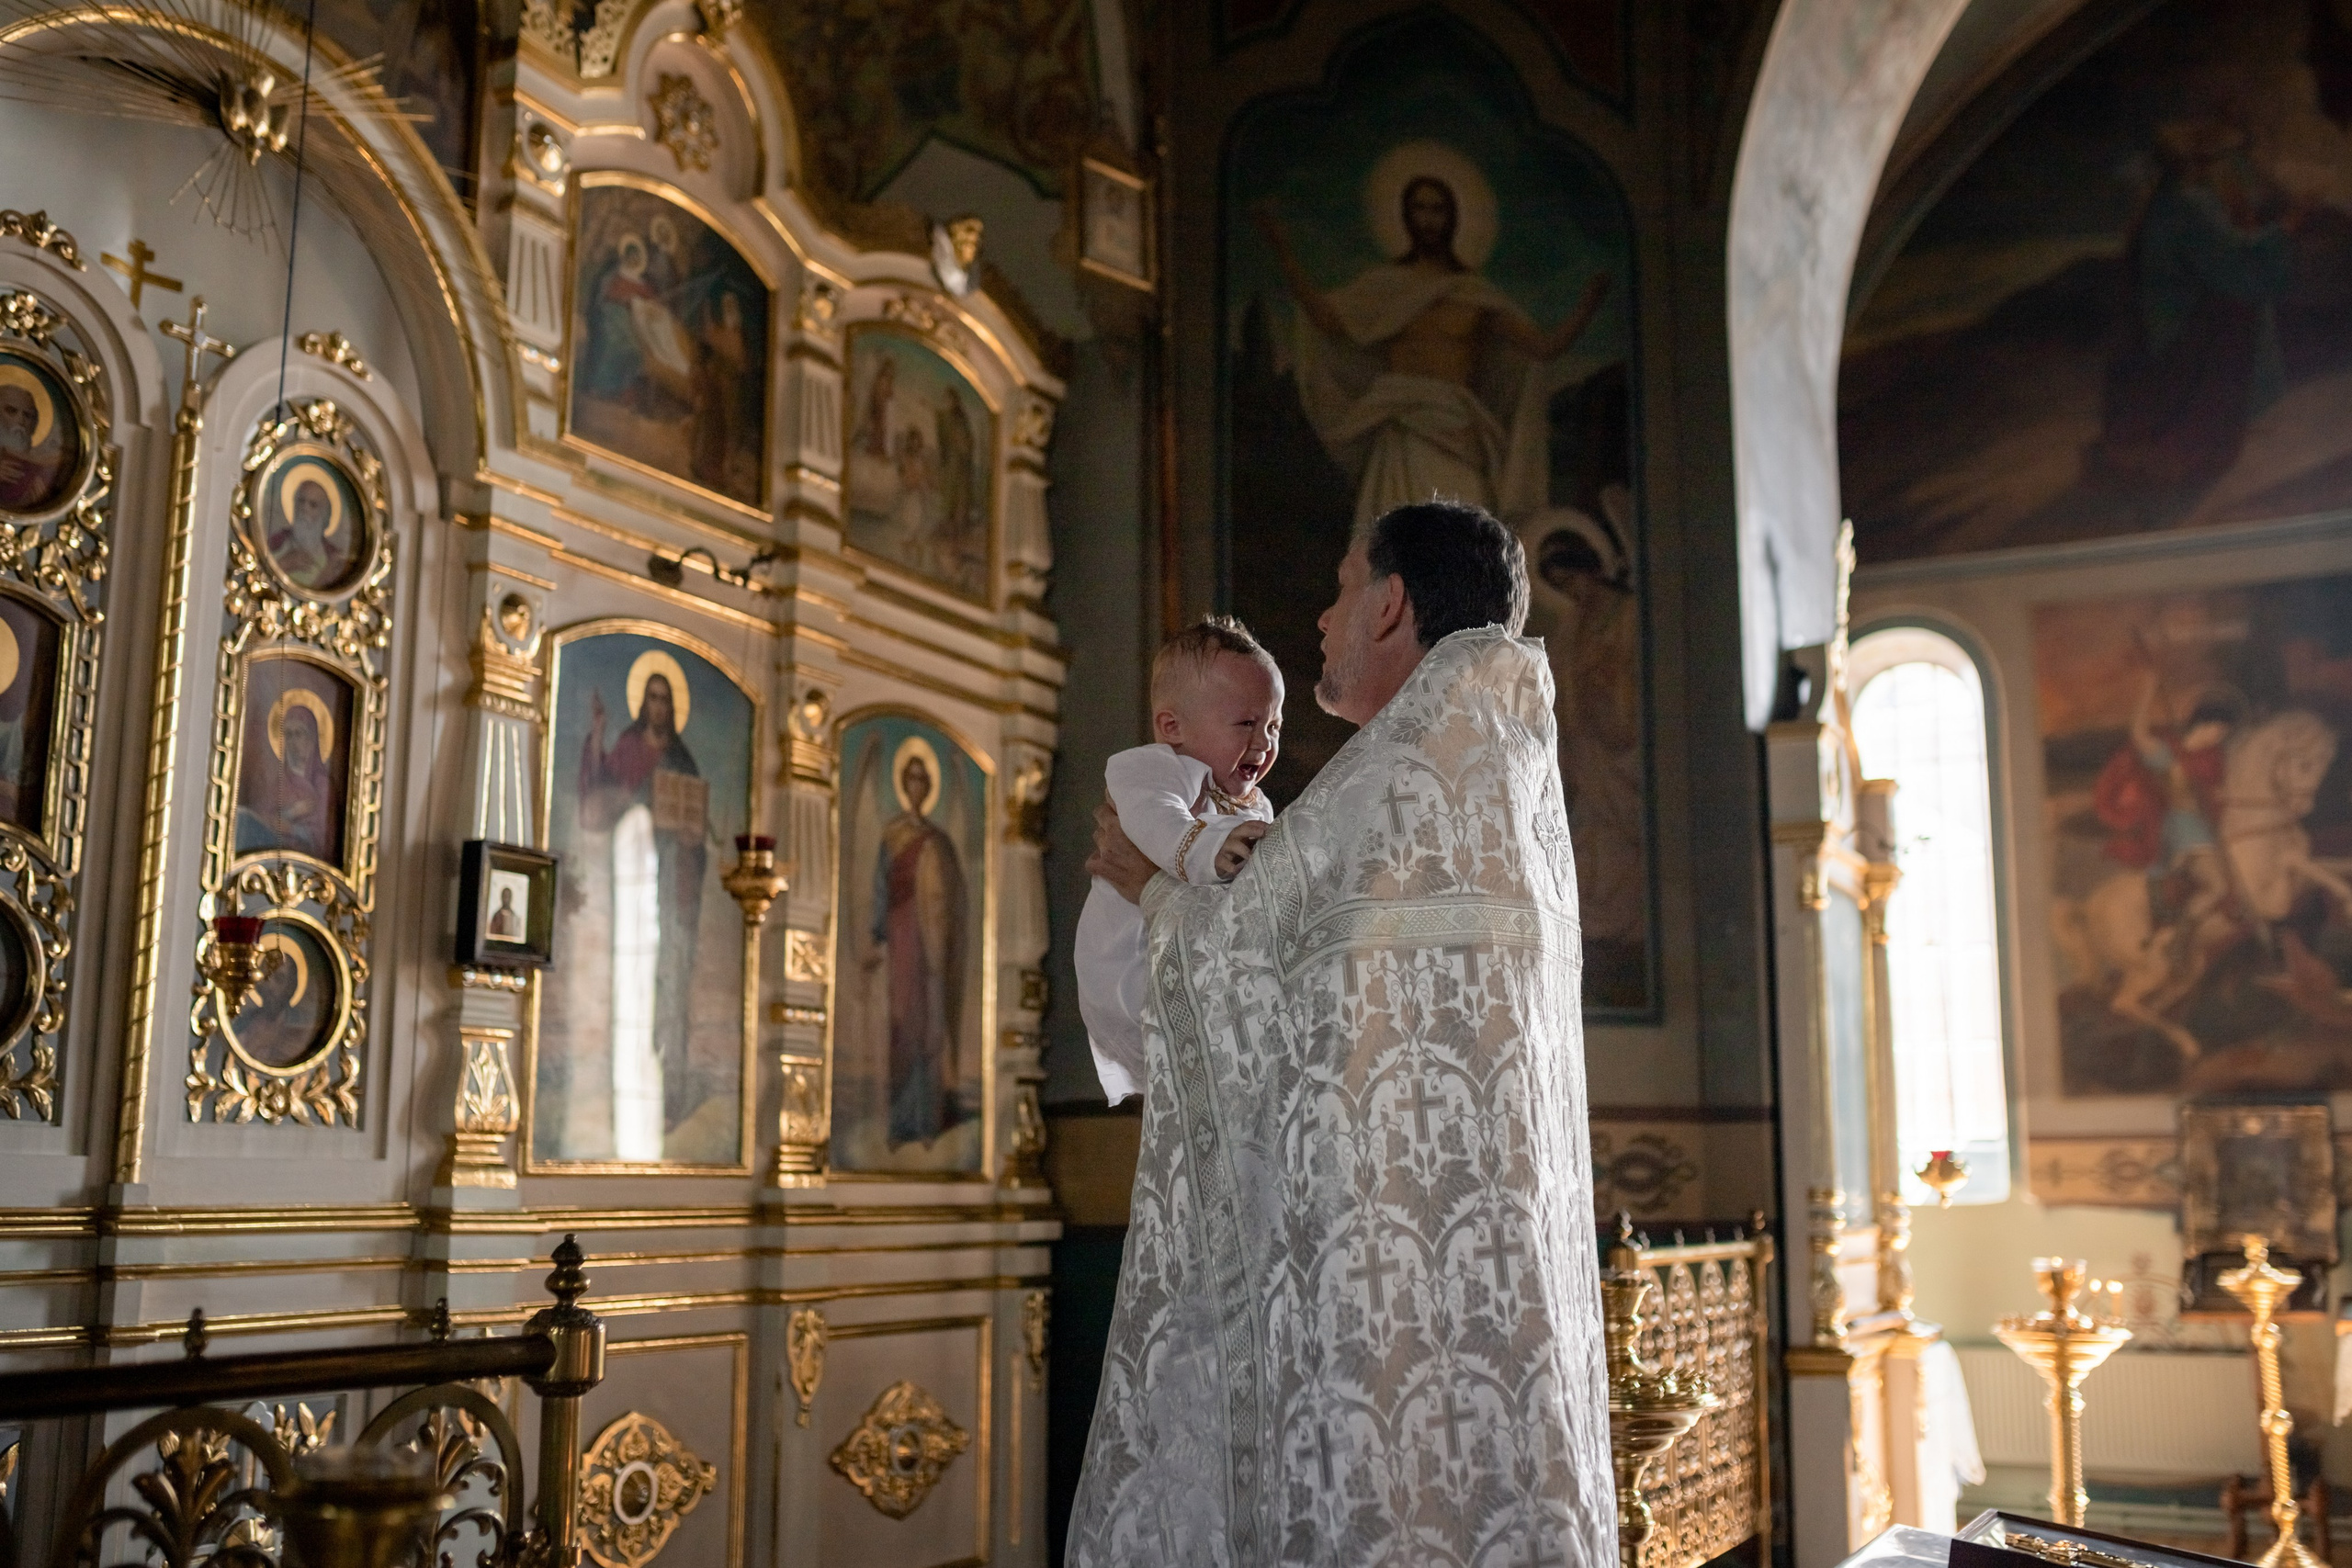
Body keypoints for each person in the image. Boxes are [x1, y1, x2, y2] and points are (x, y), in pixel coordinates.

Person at [1070, 499, 1612, 1565]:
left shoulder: (1383, 786)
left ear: (1391, 604)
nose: (1320, 619)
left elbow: (1239, 983)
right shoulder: (1499, 774)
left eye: (1337, 590)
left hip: (1372, 1289)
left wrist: (1153, 896)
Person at [1255, 175, 1608, 525]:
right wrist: (1282, 249)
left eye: (1437, 210)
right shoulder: (1387, 287)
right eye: (1419, 209)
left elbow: (1543, 348)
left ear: (1451, 217)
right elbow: (1327, 320)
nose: (1428, 219)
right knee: (1397, 543)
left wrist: (1588, 304)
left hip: (1458, 430)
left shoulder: (1474, 294)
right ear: (1407, 217)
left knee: (1465, 539)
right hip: (1402, 430)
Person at [1074, 615, 1282, 1105]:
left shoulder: (1254, 804)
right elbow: (1154, 822)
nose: (1264, 742)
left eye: (1273, 724)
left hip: (1190, 973)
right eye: (1246, 723)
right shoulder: (1149, 769)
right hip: (1127, 956)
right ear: (1172, 726)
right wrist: (1209, 848)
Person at [581, 671, 707, 1118]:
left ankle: (670, 1090)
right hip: (635, 885)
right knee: (635, 982)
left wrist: (691, 840)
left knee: (673, 984)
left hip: (674, 890)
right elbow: (600, 801)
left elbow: (696, 831)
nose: (658, 707)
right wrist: (598, 735)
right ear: (643, 705)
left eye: (664, 700)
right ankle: (630, 1088)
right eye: (652, 698)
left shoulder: (682, 760)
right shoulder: (630, 749)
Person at [866, 747, 968, 1146]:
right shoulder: (892, 835)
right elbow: (880, 887)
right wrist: (877, 935)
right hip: (903, 934)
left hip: (933, 943)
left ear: (929, 787)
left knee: (930, 1025)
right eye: (909, 778)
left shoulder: (940, 841)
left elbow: (954, 898)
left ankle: (928, 1119)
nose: (916, 786)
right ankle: (901, 1122)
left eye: (922, 779)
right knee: (903, 1021)